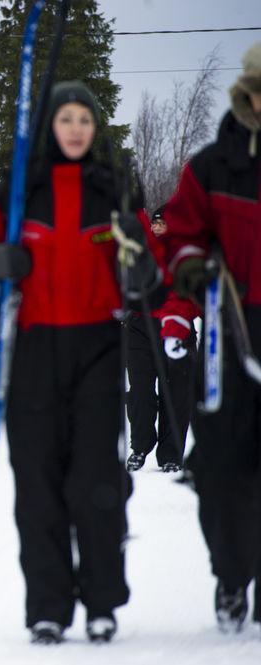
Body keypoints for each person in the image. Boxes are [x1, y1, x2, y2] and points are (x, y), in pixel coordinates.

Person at [0, 81, 165, 644]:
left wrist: (138, 258)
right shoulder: (21, 190)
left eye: (85, 120)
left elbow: (149, 279)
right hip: (33, 353)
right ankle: (47, 605)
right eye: (66, 118)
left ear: (95, 130)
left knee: (96, 481)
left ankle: (101, 600)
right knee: (40, 483)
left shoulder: (113, 190)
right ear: (51, 126)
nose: (75, 128)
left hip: (98, 347)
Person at [161, 42, 261, 634]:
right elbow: (180, 234)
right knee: (223, 468)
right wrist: (191, 268)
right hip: (232, 327)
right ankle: (231, 574)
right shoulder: (212, 166)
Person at [125, 209, 200, 473]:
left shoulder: (187, 255)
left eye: (164, 223)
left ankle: (171, 454)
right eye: (155, 222)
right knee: (141, 390)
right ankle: (139, 446)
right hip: (140, 327)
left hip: (178, 328)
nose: (158, 227)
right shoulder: (142, 250)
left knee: (177, 394)